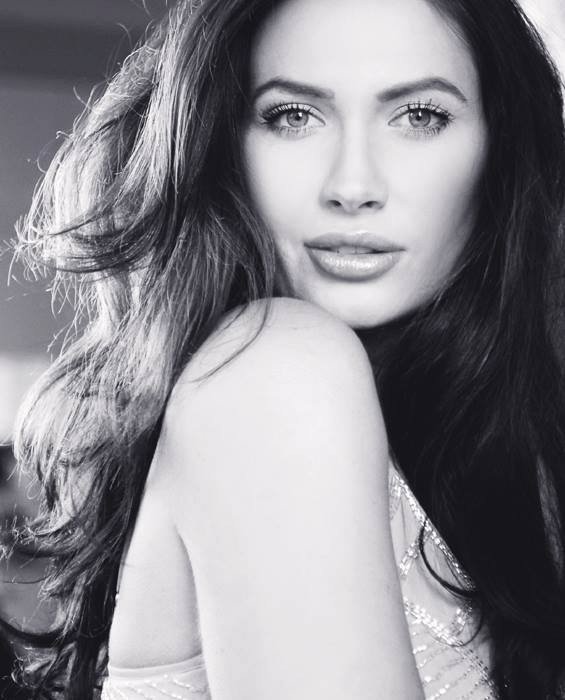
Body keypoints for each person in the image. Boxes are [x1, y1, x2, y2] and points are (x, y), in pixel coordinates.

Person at [2, 0, 565, 697]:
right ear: (223, 144)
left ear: (500, 148)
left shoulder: (495, 460)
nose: (352, 186)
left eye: (419, 115)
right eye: (293, 115)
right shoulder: (275, 372)